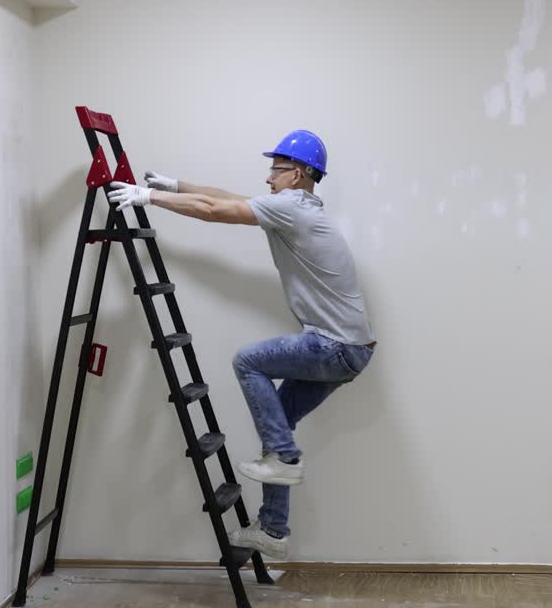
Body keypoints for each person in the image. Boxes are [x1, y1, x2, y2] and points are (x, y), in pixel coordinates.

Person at [107, 130, 376, 560]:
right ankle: (273, 530)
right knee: (277, 425)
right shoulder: (296, 206)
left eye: (276, 169)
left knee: (248, 362)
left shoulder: (292, 208)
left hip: (336, 346)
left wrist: (148, 199)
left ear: (299, 173)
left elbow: (214, 211)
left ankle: (282, 459)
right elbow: (225, 197)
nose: (268, 178)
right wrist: (174, 185)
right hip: (349, 348)